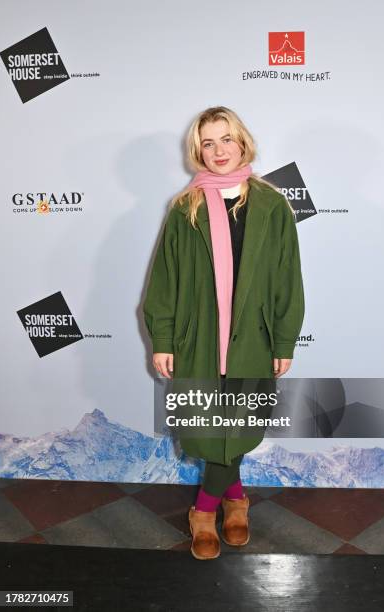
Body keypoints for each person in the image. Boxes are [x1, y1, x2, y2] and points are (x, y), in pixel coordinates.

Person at [143, 106, 305, 560]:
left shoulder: (272, 205)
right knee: (210, 429)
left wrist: (285, 339)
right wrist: (164, 339)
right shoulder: (184, 208)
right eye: (208, 142)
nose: (218, 151)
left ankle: (205, 509)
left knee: (236, 426)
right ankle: (233, 500)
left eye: (226, 139)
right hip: (198, 341)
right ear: (198, 149)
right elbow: (165, 279)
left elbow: (287, 277)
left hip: (253, 337)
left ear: (242, 142)